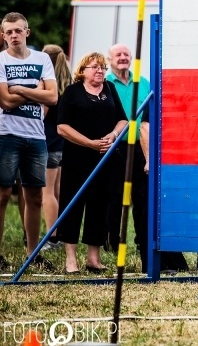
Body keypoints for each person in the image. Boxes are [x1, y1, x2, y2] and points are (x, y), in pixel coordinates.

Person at [57, 52, 128, 273]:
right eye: (95, 67)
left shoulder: (109, 89)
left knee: (99, 206)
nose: (100, 71)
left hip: (104, 159)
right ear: (83, 70)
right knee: (73, 205)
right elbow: (62, 127)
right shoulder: (72, 92)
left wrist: (114, 135)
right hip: (77, 159)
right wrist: (89, 143)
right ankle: (70, 259)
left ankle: (93, 258)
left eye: (103, 67)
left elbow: (123, 119)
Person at [0, 12, 59, 272]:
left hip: (36, 137)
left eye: (18, 30)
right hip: (6, 135)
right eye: (9, 32)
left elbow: (53, 98)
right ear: (3, 36)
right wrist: (35, 91)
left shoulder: (42, 59)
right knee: (2, 196)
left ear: (27, 32)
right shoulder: (0, 61)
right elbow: (5, 101)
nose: (14, 35)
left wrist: (19, 89)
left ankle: (32, 254)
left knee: (34, 196)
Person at [105, 44, 151, 267]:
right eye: (118, 55)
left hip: (141, 147)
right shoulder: (105, 84)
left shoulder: (143, 83)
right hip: (117, 146)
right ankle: (112, 241)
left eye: (126, 54)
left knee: (141, 196)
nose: (123, 58)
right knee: (114, 195)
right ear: (109, 59)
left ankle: (142, 240)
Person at [138, 103, 189, 274]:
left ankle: (171, 259)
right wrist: (149, 160)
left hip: (175, 163)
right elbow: (144, 128)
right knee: (151, 213)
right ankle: (153, 264)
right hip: (156, 164)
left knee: (170, 212)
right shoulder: (160, 96)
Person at [40, 44, 72, 251]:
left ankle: (52, 237)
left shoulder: (46, 86)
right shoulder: (68, 85)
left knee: (47, 192)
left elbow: (41, 116)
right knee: (58, 191)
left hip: (48, 143)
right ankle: (62, 232)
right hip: (62, 145)